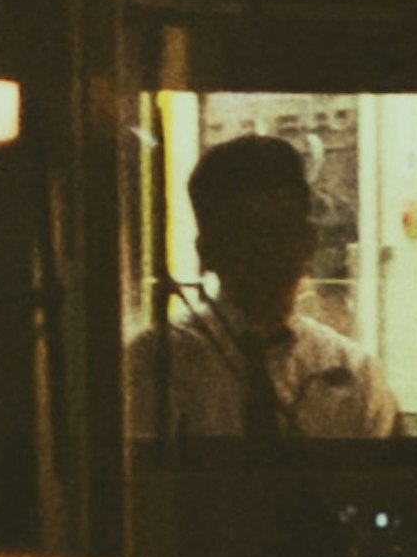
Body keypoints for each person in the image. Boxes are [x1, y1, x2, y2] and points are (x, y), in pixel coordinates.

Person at [144, 128, 399, 446]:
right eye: (244, 233)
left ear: (308, 244)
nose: (264, 251)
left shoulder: (354, 376)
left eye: (279, 231)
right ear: (206, 250)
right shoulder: (154, 367)